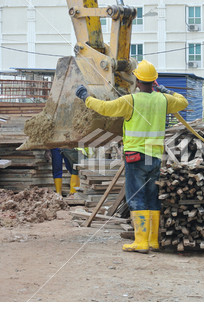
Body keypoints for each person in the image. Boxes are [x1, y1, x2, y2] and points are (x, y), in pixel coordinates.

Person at [75, 59, 188, 253]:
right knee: (152, 197)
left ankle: (141, 242)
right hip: (154, 157)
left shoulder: (131, 101)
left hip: (135, 156)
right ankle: (152, 241)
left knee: (136, 197)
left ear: (136, 79)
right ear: (154, 82)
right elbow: (183, 102)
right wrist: (166, 90)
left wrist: (85, 97)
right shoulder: (163, 100)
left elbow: (104, 108)